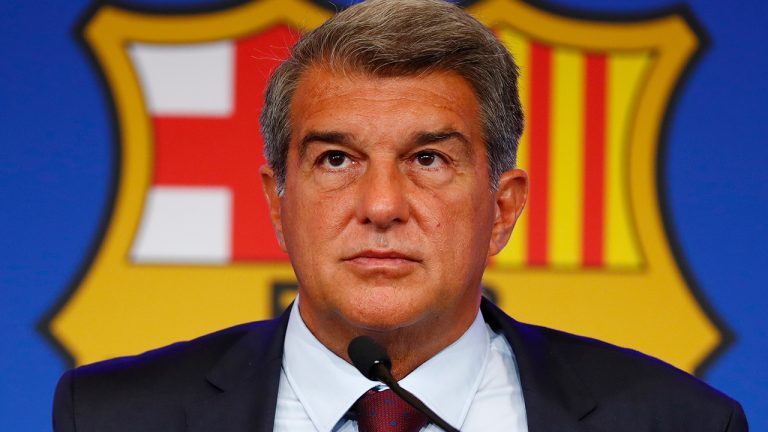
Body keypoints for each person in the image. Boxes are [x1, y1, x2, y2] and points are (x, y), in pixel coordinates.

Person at [53, 0, 747, 431]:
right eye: (335, 160)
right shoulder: (114, 416)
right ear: (276, 201)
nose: (381, 206)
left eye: (428, 160)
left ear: (503, 208)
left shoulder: (674, 422)